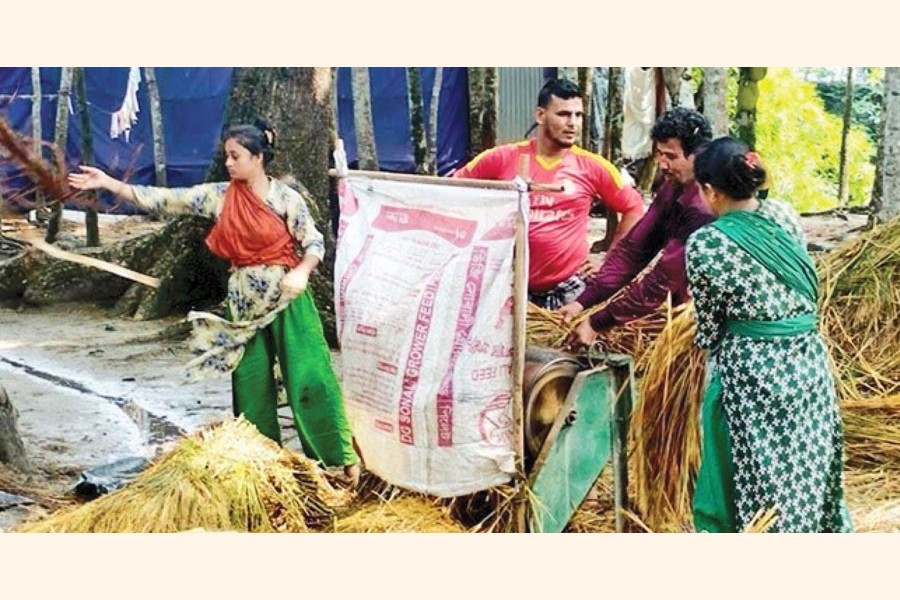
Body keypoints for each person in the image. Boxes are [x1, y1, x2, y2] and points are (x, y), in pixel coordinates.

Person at [68, 121, 361, 485]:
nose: (229, 163)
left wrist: (301, 272)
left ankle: (344, 462)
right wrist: (111, 184)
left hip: (288, 302)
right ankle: (261, 467)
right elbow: (166, 200)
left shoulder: (286, 199)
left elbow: (314, 243)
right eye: (226, 156)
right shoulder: (220, 196)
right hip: (243, 308)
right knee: (251, 386)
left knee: (311, 377)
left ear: (257, 158)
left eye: (236, 156)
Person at [685, 136, 851, 533]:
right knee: (808, 460)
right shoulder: (785, 214)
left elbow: (709, 328)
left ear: (709, 190)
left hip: (754, 374)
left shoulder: (706, 243)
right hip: (809, 362)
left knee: (762, 468)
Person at [453, 78, 644, 309]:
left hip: (568, 290)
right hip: (506, 287)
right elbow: (452, 189)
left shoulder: (593, 166)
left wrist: (610, 258)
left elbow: (634, 208)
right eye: (563, 114)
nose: (573, 123)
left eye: (578, 115)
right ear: (540, 115)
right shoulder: (501, 158)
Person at [561, 107, 715, 348]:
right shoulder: (672, 188)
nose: (662, 165)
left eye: (671, 157)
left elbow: (663, 280)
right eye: (660, 155)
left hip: (713, 325)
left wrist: (598, 322)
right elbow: (634, 250)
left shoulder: (706, 207)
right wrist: (582, 303)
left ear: (700, 156)